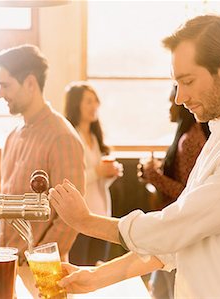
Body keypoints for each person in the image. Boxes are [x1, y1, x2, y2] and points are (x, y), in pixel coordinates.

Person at [48, 15, 220, 298]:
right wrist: (97, 277)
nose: (180, 98)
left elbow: (175, 229)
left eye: (188, 81)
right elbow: (178, 242)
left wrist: (86, 222)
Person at [0, 45, 85, 264]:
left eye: (5, 85)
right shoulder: (13, 136)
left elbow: (70, 219)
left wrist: (37, 263)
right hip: (6, 265)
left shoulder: (62, 137)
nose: (0, 94)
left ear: (30, 83)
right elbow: (11, 203)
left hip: (42, 273)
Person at [142, 85, 210, 299]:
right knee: (159, 290)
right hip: (170, 231)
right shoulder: (187, 136)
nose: (170, 107)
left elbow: (186, 193)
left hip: (177, 233)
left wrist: (152, 175)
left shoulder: (190, 140)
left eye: (173, 102)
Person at [63, 82, 123, 266]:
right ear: (76, 104)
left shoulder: (96, 138)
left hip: (101, 216)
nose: (94, 106)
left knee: (97, 269)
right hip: (80, 217)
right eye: (88, 101)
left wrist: (109, 175)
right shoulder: (70, 137)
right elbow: (70, 180)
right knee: (80, 268)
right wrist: (98, 171)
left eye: (95, 101)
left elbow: (97, 184)